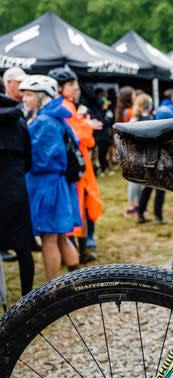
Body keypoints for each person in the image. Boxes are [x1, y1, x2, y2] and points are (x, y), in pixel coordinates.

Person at [20, 75, 81, 280]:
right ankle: (76, 279)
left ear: (41, 96)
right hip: (55, 183)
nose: (24, 99)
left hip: (47, 184)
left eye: (28, 94)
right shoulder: (54, 117)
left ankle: (51, 289)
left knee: (49, 237)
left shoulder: (44, 121)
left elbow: (39, 158)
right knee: (61, 235)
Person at [49, 67, 103, 265]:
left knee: (79, 207)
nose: (76, 88)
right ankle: (74, 253)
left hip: (79, 166)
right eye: (72, 85)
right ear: (60, 87)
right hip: (75, 168)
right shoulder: (64, 108)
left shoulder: (69, 106)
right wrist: (87, 126)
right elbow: (83, 138)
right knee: (75, 208)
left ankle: (76, 250)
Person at [0, 92, 35, 295]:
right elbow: (29, 159)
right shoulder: (19, 121)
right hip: (15, 190)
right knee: (23, 247)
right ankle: (27, 298)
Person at [129, 93, 168, 225]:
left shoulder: (135, 121)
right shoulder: (152, 119)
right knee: (160, 188)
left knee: (147, 187)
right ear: (148, 105)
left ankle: (140, 213)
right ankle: (158, 216)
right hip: (155, 157)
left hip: (142, 159)